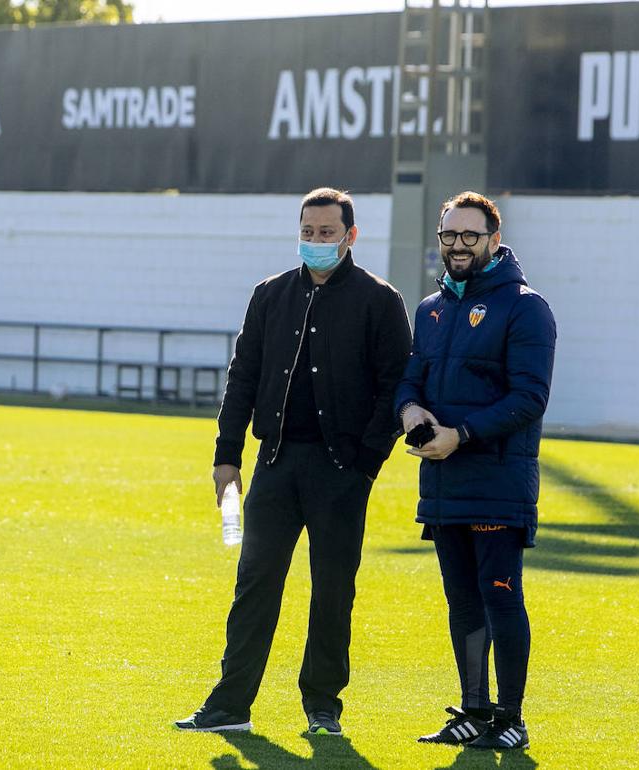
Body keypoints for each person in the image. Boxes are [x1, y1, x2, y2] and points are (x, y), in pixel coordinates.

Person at [175, 187, 413, 735]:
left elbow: (395, 386)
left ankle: (322, 707)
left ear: (350, 236)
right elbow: (243, 376)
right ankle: (230, 704)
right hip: (275, 465)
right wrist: (226, 456)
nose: (315, 242)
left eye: (326, 233)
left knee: (333, 591)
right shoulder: (270, 295)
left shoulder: (380, 301)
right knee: (254, 583)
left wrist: (365, 464)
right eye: (307, 232)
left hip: (341, 472)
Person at [395, 191, 556, 751]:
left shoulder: (526, 307)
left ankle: (511, 719)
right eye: (449, 235)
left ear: (493, 239)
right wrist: (409, 410)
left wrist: (459, 435)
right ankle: (473, 709)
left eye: (469, 236)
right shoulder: (430, 309)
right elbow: (410, 377)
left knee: (500, 597)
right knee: (462, 601)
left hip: (497, 484)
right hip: (443, 483)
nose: (457, 246)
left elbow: (530, 398)